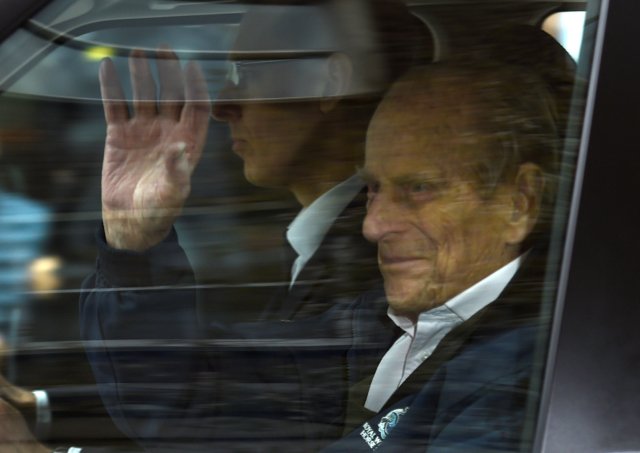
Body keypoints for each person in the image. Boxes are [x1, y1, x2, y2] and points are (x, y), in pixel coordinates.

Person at [0, 1, 430, 451]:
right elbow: (243, 399)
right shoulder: (324, 246)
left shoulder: (380, 258)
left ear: (329, 82)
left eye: (247, 73)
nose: (223, 104)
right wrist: (43, 408)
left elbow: (216, 416)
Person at [322, 61, 563, 451]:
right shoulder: (388, 311)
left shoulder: (524, 383)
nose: (373, 226)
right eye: (373, 187)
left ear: (519, 204)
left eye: (419, 188)